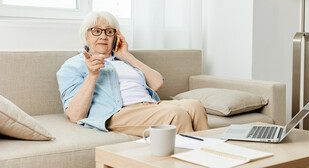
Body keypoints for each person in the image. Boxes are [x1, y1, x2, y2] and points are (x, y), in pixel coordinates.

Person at [57, 11, 209, 136]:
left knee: (194, 105)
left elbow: (157, 84)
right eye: (97, 31)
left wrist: (127, 55)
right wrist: (92, 75)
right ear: (86, 35)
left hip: (149, 105)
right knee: (176, 114)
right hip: (118, 112)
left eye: (109, 32)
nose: (103, 36)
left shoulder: (123, 60)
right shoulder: (73, 65)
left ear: (116, 37)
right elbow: (75, 115)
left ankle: (210, 159)